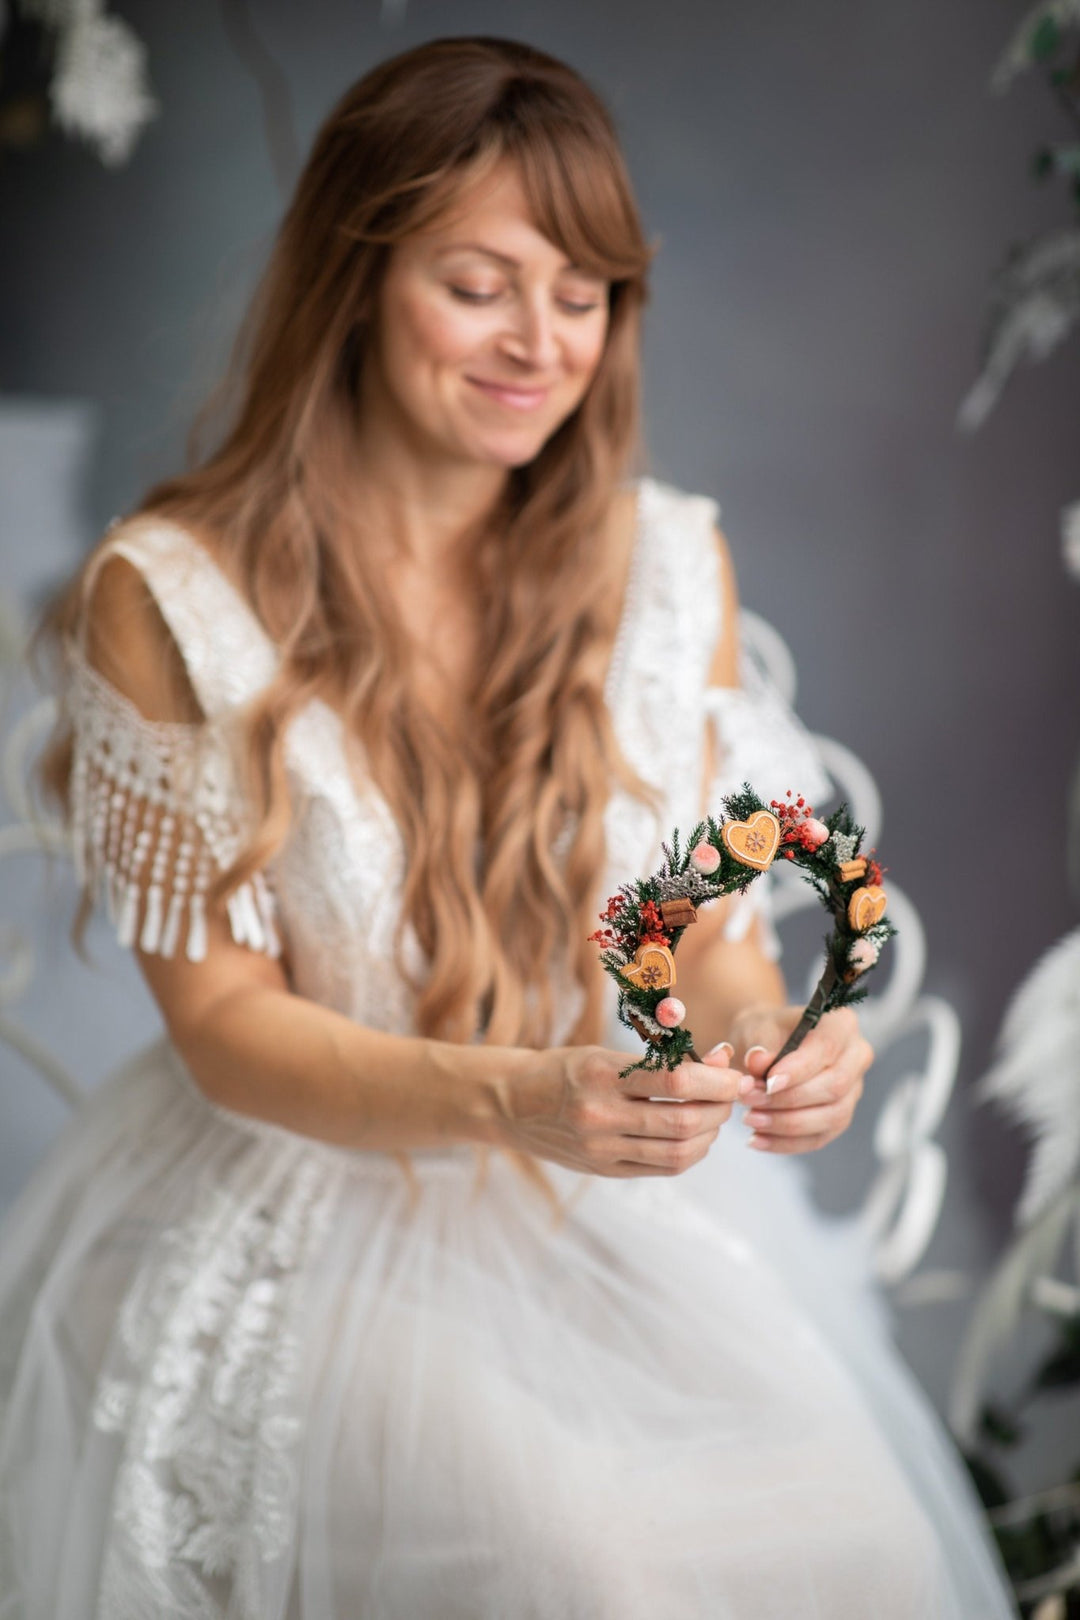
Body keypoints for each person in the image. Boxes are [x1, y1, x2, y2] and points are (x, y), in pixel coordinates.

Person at [0, 35, 1016, 1619]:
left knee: (860, 1547)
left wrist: (776, 1038)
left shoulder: (664, 567)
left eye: (585, 288)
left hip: (610, 1185)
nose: (540, 342)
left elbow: (711, 934)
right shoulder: (174, 598)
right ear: (354, 274)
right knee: (585, 1572)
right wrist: (515, 1098)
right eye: (478, 284)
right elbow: (222, 1030)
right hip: (311, 1192)